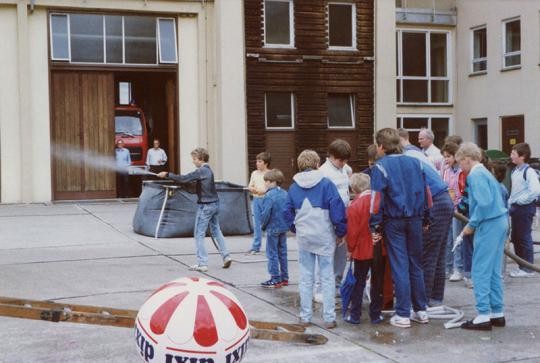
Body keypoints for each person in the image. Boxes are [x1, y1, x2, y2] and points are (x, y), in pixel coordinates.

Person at [370, 128, 432, 328]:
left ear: (381, 146)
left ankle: (403, 313)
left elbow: (376, 200)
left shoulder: (380, 167)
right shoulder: (416, 162)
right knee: (416, 264)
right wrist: (426, 218)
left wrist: (375, 225)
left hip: (394, 220)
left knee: (400, 265)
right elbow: (427, 193)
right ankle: (421, 310)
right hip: (415, 218)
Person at [285, 150, 346, 329]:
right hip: (325, 235)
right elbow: (337, 209)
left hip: (304, 237)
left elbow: (286, 212)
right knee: (327, 277)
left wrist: (295, 228)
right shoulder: (327, 184)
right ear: (318, 164)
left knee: (306, 277)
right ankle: (329, 318)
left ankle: (305, 316)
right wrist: (340, 232)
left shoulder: (293, 187)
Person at [456, 142, 508, 331]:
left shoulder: (475, 175)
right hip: (500, 220)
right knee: (493, 270)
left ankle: (483, 314)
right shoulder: (486, 172)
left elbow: (483, 204)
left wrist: (471, 225)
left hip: (489, 223)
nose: (460, 167)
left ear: (467, 159)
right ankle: (497, 312)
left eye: (460, 163)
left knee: (480, 269)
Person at [157, 147, 232, 272]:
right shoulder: (208, 171)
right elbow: (194, 188)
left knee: (199, 234)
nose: (193, 161)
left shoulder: (201, 171)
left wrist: (167, 174)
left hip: (206, 206)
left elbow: (184, 178)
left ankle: (202, 263)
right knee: (216, 230)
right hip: (215, 204)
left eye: (194, 159)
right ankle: (226, 256)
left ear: (201, 159)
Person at [345, 173, 385, 325]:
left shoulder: (355, 205)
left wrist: (350, 249)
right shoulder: (380, 201)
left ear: (354, 188)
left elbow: (352, 232)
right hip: (380, 247)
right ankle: (376, 314)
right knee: (378, 282)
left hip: (362, 250)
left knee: (359, 282)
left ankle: (355, 314)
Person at [319, 139, 352, 293]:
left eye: (345, 160)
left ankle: (337, 283)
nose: (343, 163)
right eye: (340, 160)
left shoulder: (344, 168)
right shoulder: (324, 172)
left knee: (341, 253)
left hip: (344, 215)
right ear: (331, 156)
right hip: (331, 217)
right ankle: (324, 286)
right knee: (328, 254)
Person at [508, 143, 540, 278]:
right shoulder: (515, 171)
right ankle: (522, 266)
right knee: (515, 237)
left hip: (525, 208)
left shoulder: (529, 172)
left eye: (514, 154)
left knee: (524, 237)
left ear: (523, 156)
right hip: (515, 208)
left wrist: (521, 201)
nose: (511, 156)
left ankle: (528, 268)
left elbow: (535, 191)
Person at [259, 169, 289, 288]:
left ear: (272, 182)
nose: (265, 183)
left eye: (266, 181)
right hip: (283, 227)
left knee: (272, 253)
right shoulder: (285, 193)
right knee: (283, 252)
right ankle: (285, 277)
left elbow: (266, 213)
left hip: (272, 227)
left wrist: (263, 225)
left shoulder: (269, 195)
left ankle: (275, 278)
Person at [441, 142, 465, 282]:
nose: (446, 159)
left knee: (457, 239)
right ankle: (447, 267)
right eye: (444, 156)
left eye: (448, 156)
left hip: (458, 208)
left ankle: (458, 268)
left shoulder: (461, 170)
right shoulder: (446, 170)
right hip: (448, 208)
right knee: (448, 239)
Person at [247, 152, 271, 255]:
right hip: (256, 200)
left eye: (260, 161)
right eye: (257, 161)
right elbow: (250, 186)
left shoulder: (270, 174)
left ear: (266, 163)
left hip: (266, 200)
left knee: (269, 223)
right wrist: (252, 189)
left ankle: (271, 246)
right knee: (257, 224)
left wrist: (264, 191)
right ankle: (256, 246)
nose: (257, 163)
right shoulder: (254, 173)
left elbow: (271, 187)